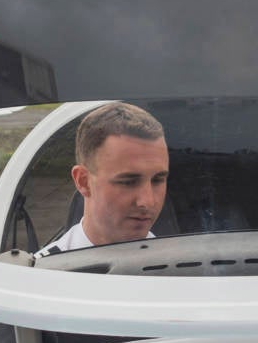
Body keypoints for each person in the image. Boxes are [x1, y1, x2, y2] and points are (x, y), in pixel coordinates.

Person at [39, 101, 169, 255]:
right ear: (83, 181)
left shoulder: (186, 270)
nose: (147, 201)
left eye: (157, 180)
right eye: (128, 182)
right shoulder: (40, 275)